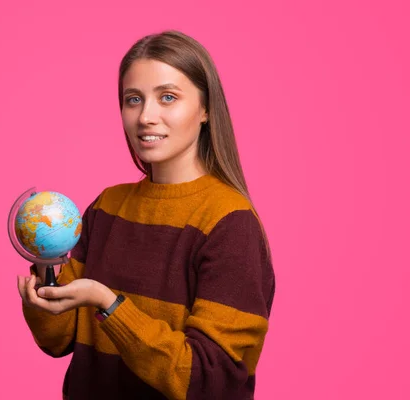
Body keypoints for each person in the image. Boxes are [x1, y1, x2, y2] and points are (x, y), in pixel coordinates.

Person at [17, 30, 276, 400]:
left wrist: (108, 304)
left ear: (205, 109)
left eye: (167, 97)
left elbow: (211, 382)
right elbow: (59, 341)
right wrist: (44, 286)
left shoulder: (229, 222)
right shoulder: (107, 206)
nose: (145, 117)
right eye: (133, 99)